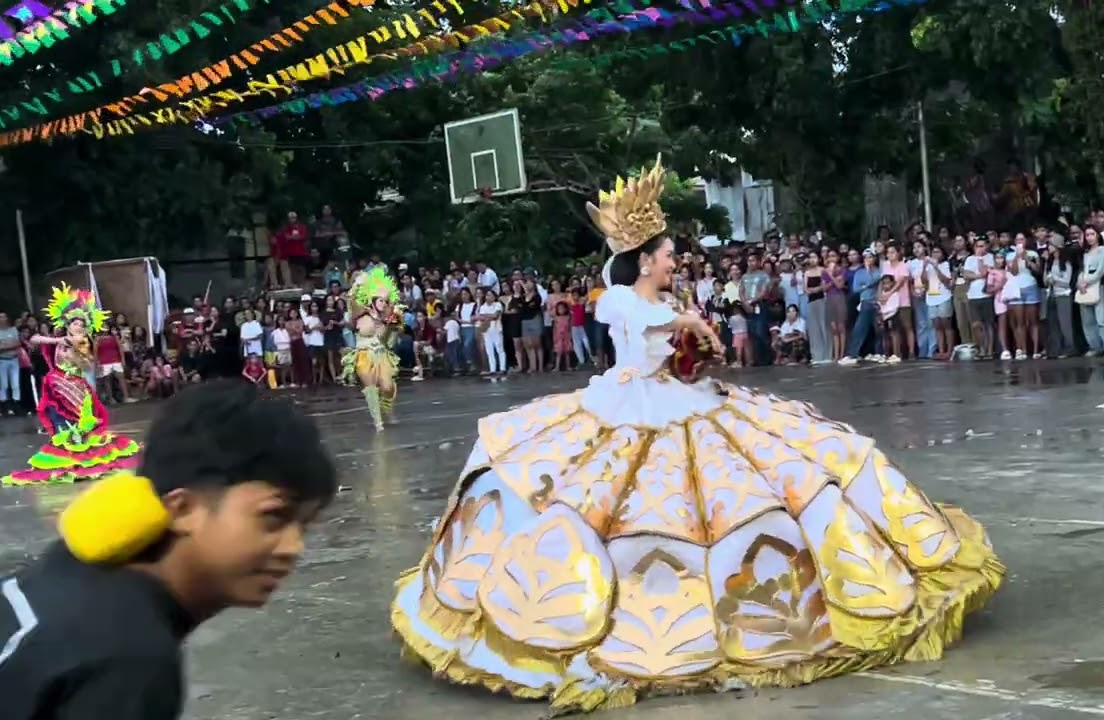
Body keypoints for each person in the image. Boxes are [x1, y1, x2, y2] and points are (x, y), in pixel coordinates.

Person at [389, 157, 1003, 712]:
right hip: (635, 409)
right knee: (630, 510)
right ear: (645, 257)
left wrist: (693, 350)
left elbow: (682, 350)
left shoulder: (660, 301)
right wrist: (684, 328)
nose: (673, 258)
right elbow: (655, 332)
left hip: (683, 402)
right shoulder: (627, 304)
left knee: (788, 475)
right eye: (666, 251)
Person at [0, 382, 336, 720]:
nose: (294, 547)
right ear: (182, 508)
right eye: (274, 517)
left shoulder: (68, 569)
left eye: (304, 526)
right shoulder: (129, 660)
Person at [3, 285, 142, 486]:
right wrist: (60, 339)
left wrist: (76, 352)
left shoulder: (83, 342)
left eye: (81, 323)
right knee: (58, 420)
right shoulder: (61, 337)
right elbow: (33, 338)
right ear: (68, 324)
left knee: (78, 425)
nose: (77, 326)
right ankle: (65, 460)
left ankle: (79, 460)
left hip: (74, 387)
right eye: (74, 322)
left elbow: (87, 364)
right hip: (55, 383)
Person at [343, 267, 403, 431]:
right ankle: (378, 422)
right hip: (363, 353)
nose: (385, 303)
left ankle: (387, 411)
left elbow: (392, 332)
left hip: (381, 353)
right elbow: (352, 302)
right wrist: (356, 286)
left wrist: (394, 325)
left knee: (387, 387)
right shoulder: (359, 311)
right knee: (370, 388)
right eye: (381, 300)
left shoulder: (385, 311)